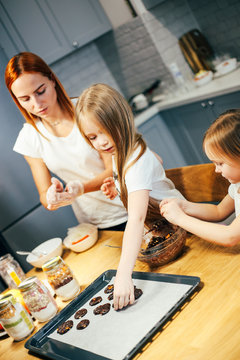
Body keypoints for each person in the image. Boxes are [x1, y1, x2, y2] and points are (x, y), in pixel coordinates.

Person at [75, 83, 184, 310]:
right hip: (162, 228)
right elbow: (158, 161)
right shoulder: (121, 150)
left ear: (122, 120)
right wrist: (120, 186)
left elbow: (135, 219)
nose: (101, 142)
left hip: (181, 230)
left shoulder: (134, 159)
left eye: (106, 131)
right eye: (93, 137)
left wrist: (123, 275)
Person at [5, 52, 128, 230]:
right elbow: (44, 194)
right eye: (25, 99)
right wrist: (53, 198)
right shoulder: (29, 138)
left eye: (40, 91)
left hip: (131, 205)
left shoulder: (87, 110)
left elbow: (114, 169)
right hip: (94, 224)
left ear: (52, 80)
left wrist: (79, 189)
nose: (37, 104)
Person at [160, 109, 240, 247]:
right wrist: (184, 206)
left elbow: (230, 236)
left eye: (220, 163)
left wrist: (180, 218)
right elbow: (219, 211)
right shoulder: (237, 186)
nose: (216, 170)